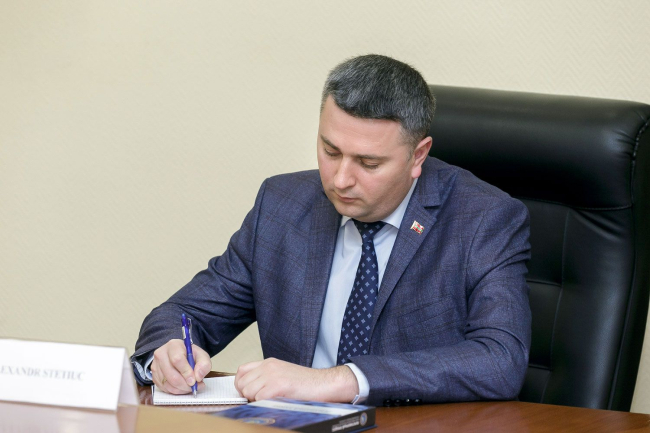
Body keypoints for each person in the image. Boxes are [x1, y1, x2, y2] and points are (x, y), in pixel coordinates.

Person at [131, 54, 531, 406]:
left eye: (368, 164)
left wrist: (338, 381)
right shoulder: (282, 205)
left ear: (418, 155)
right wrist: (168, 352)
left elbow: (500, 359)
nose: (340, 180)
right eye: (330, 151)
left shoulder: (483, 219)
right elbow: (183, 313)